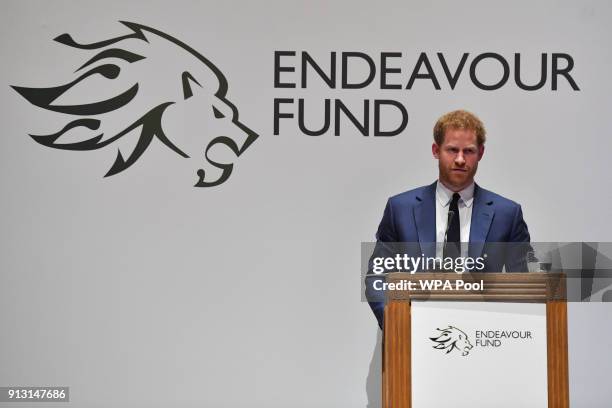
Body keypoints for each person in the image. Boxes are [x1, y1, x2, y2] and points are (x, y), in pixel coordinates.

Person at [367, 110, 531, 329]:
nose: (460, 159)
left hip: (484, 337)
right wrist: (396, 324)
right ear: (436, 150)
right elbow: (378, 276)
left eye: (469, 151)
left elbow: (525, 285)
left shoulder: (507, 214)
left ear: (480, 153)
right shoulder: (400, 209)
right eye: (452, 150)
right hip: (413, 335)